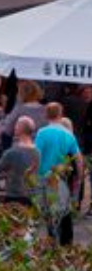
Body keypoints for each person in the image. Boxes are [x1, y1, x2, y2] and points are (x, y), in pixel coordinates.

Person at [34, 102, 84, 245]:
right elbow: (78, 158)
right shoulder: (68, 134)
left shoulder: (42, 133)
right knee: (64, 210)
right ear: (60, 114)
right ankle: (66, 242)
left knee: (49, 212)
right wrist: (79, 178)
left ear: (46, 115)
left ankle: (53, 241)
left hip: (44, 176)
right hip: (62, 177)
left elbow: (36, 154)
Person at [0, 116, 40, 206]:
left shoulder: (12, 152)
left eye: (16, 125)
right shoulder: (37, 152)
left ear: (19, 129)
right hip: (32, 195)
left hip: (13, 195)